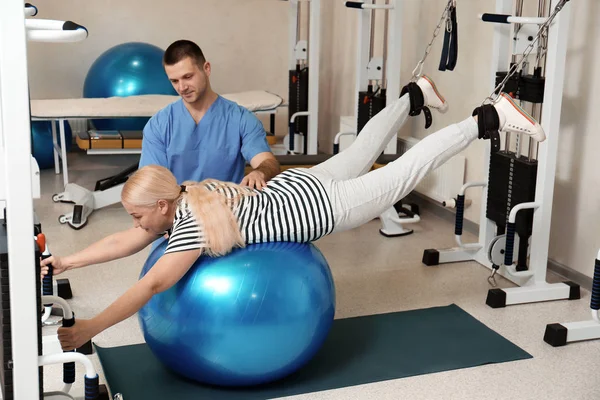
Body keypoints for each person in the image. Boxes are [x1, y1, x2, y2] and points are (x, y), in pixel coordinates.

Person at [42, 75, 545, 351]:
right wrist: (69, 262)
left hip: (329, 204)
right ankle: (413, 95)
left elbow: (149, 285)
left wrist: (91, 327)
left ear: (161, 207)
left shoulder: (190, 228)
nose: (135, 227)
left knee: (408, 169)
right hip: (302, 183)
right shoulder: (192, 191)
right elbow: (127, 243)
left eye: (137, 216)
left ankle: (487, 118)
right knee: (363, 147)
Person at [140, 39, 280, 190]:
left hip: (228, 208)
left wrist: (259, 173)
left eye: (188, 77)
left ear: (206, 68)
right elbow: (151, 180)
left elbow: (267, 162)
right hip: (178, 209)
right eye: (174, 81)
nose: (182, 87)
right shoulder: (159, 124)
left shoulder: (241, 119)